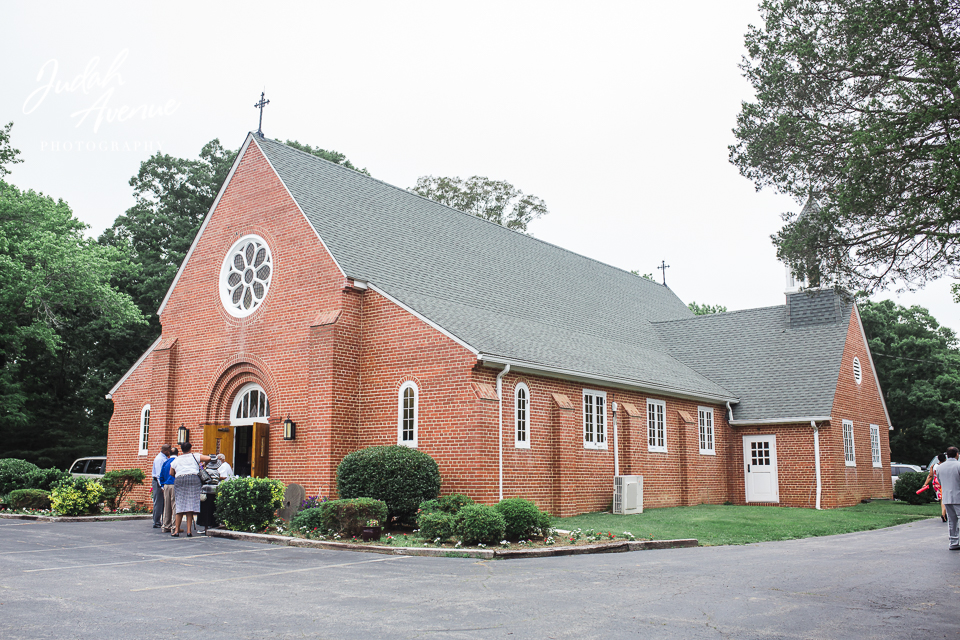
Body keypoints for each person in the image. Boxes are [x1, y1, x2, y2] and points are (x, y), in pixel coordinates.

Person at [169, 443, 217, 537]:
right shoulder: (195, 456)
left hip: (180, 479)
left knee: (180, 505)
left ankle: (176, 530)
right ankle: (189, 531)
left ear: (181, 449)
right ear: (190, 448)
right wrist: (202, 465)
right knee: (190, 505)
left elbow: (171, 472)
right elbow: (209, 458)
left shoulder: (176, 459)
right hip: (193, 478)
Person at [938, 446, 960, 551]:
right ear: (957, 454)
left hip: (946, 497)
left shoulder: (940, 467)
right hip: (958, 496)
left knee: (952, 521)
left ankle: (953, 542)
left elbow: (940, 481)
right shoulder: (958, 465)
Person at [921, 453, 948, 522]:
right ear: (945, 459)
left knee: (941, 499)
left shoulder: (933, 466)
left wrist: (925, 484)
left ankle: (944, 513)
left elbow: (930, 476)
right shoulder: (946, 466)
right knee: (944, 499)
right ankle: (943, 514)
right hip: (944, 483)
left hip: (936, 483)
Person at [158, 447, 179, 533]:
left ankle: (166, 525)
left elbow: (161, 475)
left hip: (166, 484)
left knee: (167, 505)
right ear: (178, 453)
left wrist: (162, 485)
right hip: (174, 484)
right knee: (175, 506)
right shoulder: (178, 462)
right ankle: (174, 526)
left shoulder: (166, 462)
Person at [151, 444, 171, 528]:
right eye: (169, 451)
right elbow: (159, 474)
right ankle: (156, 522)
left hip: (161, 482)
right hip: (158, 482)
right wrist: (161, 486)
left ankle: (162, 521)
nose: (169, 452)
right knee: (158, 502)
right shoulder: (160, 459)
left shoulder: (164, 458)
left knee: (163, 502)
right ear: (166, 451)